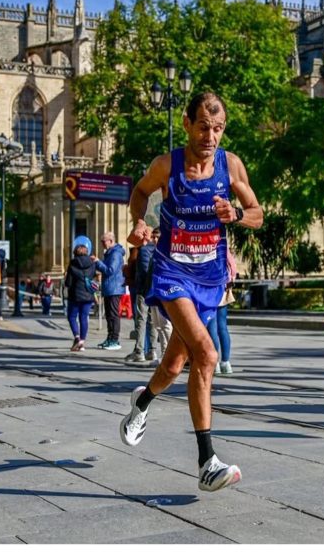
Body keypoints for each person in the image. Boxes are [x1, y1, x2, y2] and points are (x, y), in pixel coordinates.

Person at [119, 92, 263, 492]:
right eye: (203, 127)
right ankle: (207, 462)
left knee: (173, 366)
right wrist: (139, 222)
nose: (210, 137)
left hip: (210, 279)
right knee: (208, 354)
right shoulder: (167, 166)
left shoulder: (231, 165)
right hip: (172, 273)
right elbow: (140, 192)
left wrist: (236, 214)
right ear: (186, 124)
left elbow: (257, 214)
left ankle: (140, 404)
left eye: (218, 129)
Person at [125, 227, 160, 363]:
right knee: (152, 321)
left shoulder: (145, 250)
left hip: (143, 289)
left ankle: (139, 351)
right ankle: (152, 350)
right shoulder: (159, 249)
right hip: (154, 290)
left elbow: (145, 271)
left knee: (141, 320)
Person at [94, 232, 126, 350]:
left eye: (104, 242)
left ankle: (114, 340)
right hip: (110, 287)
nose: (102, 244)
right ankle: (110, 338)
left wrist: (98, 262)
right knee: (108, 315)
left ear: (111, 241)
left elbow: (110, 270)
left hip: (114, 288)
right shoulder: (110, 253)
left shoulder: (115, 253)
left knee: (113, 315)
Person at [209, 249, 238, 375]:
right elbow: (233, 267)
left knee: (212, 327)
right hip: (224, 289)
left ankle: (215, 363)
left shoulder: (208, 246)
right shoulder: (223, 248)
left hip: (209, 290)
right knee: (222, 327)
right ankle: (226, 362)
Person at [65, 243, 97, 352]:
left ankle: (77, 337)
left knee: (72, 316)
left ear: (75, 253)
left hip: (75, 295)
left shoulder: (73, 263)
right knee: (84, 317)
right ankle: (82, 342)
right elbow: (92, 276)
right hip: (88, 294)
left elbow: (68, 283)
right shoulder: (92, 263)